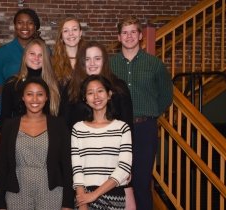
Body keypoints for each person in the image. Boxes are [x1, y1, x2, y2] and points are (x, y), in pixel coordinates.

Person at [110, 16, 173, 210]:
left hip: (144, 128)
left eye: (133, 32)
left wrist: (150, 113)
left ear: (140, 36)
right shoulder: (109, 64)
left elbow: (166, 95)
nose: (129, 36)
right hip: (116, 129)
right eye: (125, 32)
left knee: (142, 182)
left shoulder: (154, 64)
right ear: (119, 37)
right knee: (117, 180)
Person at [0, 77, 74, 210]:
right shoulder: (9, 126)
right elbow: (3, 167)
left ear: (46, 97)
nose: (35, 99)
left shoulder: (58, 125)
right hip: (17, 192)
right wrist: (0, 205)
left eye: (40, 94)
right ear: (23, 97)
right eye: (29, 94)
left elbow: (67, 166)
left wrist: (67, 204)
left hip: (51, 192)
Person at [71, 75, 133, 210]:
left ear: (109, 94)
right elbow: (77, 169)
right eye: (90, 93)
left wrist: (94, 195)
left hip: (114, 197)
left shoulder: (122, 128)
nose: (96, 96)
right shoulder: (78, 128)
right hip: (84, 198)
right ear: (85, 99)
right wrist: (83, 203)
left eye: (100, 91)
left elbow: (124, 168)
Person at [61, 41, 134, 129]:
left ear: (104, 61)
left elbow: (127, 125)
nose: (92, 63)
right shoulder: (71, 87)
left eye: (97, 58)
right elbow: (63, 124)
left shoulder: (118, 87)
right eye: (87, 59)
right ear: (81, 62)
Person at [0, 38, 60, 128]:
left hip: (48, 135)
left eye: (40, 55)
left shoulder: (54, 84)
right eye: (32, 54)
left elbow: (59, 119)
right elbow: (5, 118)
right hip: (18, 135)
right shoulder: (12, 84)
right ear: (25, 56)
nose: (36, 58)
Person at [0, 8, 41, 97]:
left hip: (38, 106)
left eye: (30, 23)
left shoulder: (45, 52)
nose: (25, 26)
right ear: (15, 26)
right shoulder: (1, 53)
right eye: (20, 22)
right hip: (9, 108)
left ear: (35, 26)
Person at [52, 17, 84, 86]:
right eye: (66, 31)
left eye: (74, 29)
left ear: (80, 33)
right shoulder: (52, 62)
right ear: (61, 36)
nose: (71, 33)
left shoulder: (89, 60)